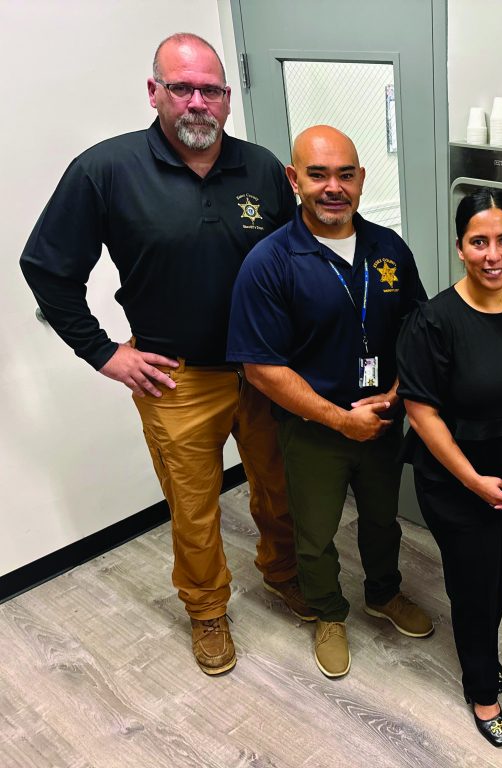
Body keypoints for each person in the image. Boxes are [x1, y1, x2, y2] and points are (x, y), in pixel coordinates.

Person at [20, 33, 308, 676]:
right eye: (182, 88)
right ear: (154, 92)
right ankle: (207, 611)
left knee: (278, 489)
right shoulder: (106, 170)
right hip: (177, 380)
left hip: (264, 370)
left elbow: (294, 264)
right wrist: (103, 354)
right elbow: (45, 266)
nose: (197, 103)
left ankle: (285, 575)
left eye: (210, 89)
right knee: (195, 508)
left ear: (228, 99)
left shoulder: (262, 168)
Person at [227, 125, 434, 680]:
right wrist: (341, 420)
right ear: (295, 180)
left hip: (385, 420)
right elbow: (261, 368)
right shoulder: (270, 262)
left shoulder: (389, 248)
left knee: (381, 520)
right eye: (317, 175)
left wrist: (395, 396)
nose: (333, 187)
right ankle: (328, 611)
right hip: (314, 429)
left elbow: (418, 328)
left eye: (345, 174)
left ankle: (383, 594)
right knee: (314, 533)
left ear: (362, 179)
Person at [396, 188, 502, 747]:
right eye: (479, 242)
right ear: (460, 247)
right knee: (473, 585)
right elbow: (421, 412)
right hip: (455, 482)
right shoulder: (434, 321)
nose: (492, 254)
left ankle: (482, 649)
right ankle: (482, 690)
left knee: (499, 576)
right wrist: (473, 480)